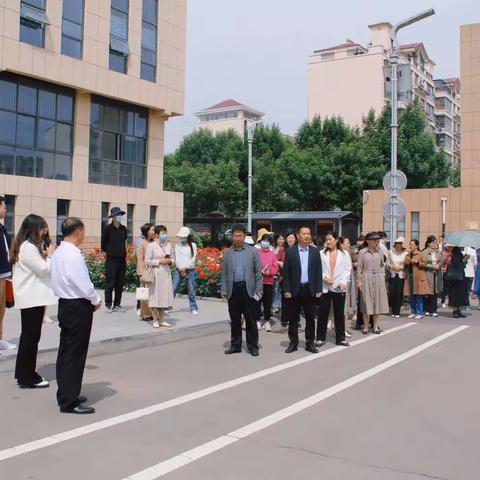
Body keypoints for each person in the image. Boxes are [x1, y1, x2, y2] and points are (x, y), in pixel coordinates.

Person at [51, 217, 102, 414]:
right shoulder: (73, 255)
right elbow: (82, 283)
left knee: (66, 351)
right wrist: (95, 299)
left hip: (65, 304)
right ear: (78, 231)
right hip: (77, 306)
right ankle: (69, 401)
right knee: (75, 353)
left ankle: (66, 392)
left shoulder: (58, 252)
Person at [12, 215, 57, 388]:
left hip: (32, 297)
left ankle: (24, 373)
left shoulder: (27, 247)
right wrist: (51, 256)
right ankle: (27, 376)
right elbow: (44, 269)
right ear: (32, 229)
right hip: (31, 298)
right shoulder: (28, 248)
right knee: (30, 338)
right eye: (41, 229)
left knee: (30, 337)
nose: (43, 232)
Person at [221, 225, 263, 357]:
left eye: (240, 236)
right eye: (235, 236)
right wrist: (224, 289)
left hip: (248, 289)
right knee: (235, 319)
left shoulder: (253, 251)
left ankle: (253, 346)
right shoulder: (227, 253)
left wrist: (259, 289)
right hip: (233, 289)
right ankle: (235, 345)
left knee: (250, 319)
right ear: (232, 237)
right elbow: (224, 273)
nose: (238, 238)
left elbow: (258, 273)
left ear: (245, 236)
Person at [283, 226, 323, 354]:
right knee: (293, 318)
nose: (307, 236)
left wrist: (319, 288)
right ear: (298, 235)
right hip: (294, 289)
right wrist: (287, 289)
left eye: (309, 233)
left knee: (310, 318)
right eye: (304, 233)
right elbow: (286, 272)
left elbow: (318, 271)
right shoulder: (290, 252)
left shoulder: (315, 251)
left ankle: (309, 343)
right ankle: (293, 342)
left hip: (309, 289)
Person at [316, 232, 351, 347]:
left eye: (330, 239)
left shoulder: (344, 253)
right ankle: (320, 338)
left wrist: (343, 282)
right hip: (325, 286)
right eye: (327, 240)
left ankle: (340, 338)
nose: (328, 242)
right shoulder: (321, 253)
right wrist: (324, 278)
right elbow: (317, 269)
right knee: (323, 313)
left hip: (338, 287)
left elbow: (347, 269)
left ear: (336, 240)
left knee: (339, 314)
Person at [356, 232, 389, 334]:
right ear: (368, 241)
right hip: (366, 277)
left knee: (377, 303)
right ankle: (365, 326)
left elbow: (383, 265)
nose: (376, 242)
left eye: (377, 240)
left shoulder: (380, 252)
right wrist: (359, 281)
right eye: (374, 240)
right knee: (366, 303)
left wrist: (382, 275)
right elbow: (359, 268)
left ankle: (376, 326)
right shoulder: (362, 252)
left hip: (378, 278)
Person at [145, 225, 174, 328]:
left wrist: (170, 261)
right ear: (157, 235)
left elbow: (173, 258)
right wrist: (159, 261)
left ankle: (162, 319)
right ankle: (155, 320)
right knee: (155, 297)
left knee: (164, 297)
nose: (165, 235)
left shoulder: (168, 245)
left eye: (166, 233)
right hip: (156, 274)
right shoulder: (151, 246)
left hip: (166, 274)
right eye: (163, 233)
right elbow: (147, 261)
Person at [101, 207, 128, 313]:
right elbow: (103, 244)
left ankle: (117, 304)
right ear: (113, 217)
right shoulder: (107, 228)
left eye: (120, 215)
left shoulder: (124, 229)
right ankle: (108, 304)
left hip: (122, 260)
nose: (119, 217)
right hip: (111, 260)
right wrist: (112, 251)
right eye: (117, 215)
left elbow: (124, 241)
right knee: (110, 283)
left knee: (120, 283)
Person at [0, 196, 16, 353]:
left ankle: (0, 338)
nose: (5, 209)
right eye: (3, 206)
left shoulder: (1, 228)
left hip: (4, 273)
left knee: (1, 308)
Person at [173, 227, 199, 315]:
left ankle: (193, 307)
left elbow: (193, 258)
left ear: (188, 236)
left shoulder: (193, 245)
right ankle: (167, 306)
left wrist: (185, 268)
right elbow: (177, 259)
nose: (182, 238)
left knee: (191, 290)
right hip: (179, 270)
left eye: (183, 236)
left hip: (190, 270)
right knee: (174, 288)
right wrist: (181, 269)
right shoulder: (177, 245)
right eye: (181, 236)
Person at [257, 234, 278, 332]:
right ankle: (257, 320)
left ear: (270, 243)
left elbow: (275, 267)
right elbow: (253, 265)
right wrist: (259, 271)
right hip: (258, 283)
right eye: (263, 240)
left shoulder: (272, 254)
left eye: (267, 240)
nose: (265, 242)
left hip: (268, 282)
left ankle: (266, 321)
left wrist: (270, 272)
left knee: (267, 303)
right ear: (260, 242)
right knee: (257, 302)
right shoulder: (256, 253)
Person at [404, 239, 429, 320]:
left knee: (419, 295)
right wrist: (408, 259)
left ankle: (420, 312)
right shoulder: (408, 254)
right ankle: (413, 311)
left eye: (412, 244)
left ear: (417, 246)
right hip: (410, 276)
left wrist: (418, 263)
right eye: (410, 244)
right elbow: (405, 264)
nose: (410, 246)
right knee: (411, 295)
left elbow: (425, 264)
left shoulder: (421, 254)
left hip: (418, 277)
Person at [136, 223, 154, 321]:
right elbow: (140, 259)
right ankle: (145, 314)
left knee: (152, 294)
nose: (153, 232)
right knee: (144, 294)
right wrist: (141, 273)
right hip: (145, 272)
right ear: (147, 232)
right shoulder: (142, 243)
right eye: (151, 230)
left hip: (153, 271)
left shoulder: (154, 242)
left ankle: (152, 313)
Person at [387, 237, 408, 318]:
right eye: (396, 244)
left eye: (399, 244)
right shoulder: (391, 252)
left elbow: (406, 264)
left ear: (402, 245)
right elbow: (387, 262)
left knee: (399, 293)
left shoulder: (405, 253)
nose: (398, 246)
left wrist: (400, 268)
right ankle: (392, 309)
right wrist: (391, 266)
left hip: (401, 275)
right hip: (392, 274)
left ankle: (397, 311)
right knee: (392, 293)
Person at [423, 235, 443, 317]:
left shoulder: (438, 252)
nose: (435, 244)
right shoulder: (425, 252)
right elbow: (423, 263)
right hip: (428, 273)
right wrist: (432, 266)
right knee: (428, 292)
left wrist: (439, 265)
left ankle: (434, 310)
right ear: (429, 243)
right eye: (433, 242)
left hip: (437, 274)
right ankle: (427, 309)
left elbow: (442, 261)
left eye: (436, 242)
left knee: (435, 292)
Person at [339, 236, 355, 336]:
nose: (349, 245)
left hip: (347, 283)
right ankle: (341, 329)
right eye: (347, 242)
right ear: (341, 244)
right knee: (342, 309)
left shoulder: (347, 254)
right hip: (341, 284)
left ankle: (343, 328)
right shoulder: (340, 254)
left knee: (345, 308)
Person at [447, 246, 468, 318]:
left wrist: (464, 259)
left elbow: (463, 265)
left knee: (459, 294)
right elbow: (458, 265)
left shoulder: (456, 254)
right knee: (457, 294)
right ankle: (456, 311)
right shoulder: (456, 255)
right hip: (457, 278)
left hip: (457, 277)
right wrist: (464, 259)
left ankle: (458, 310)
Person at [351, 235, 365, 330]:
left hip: (366, 277)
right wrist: (354, 264)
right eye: (358, 241)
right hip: (356, 276)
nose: (359, 242)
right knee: (358, 298)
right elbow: (349, 262)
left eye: (361, 241)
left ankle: (370, 321)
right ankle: (358, 321)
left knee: (367, 301)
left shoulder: (367, 250)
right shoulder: (353, 251)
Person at [272, 234, 286, 315]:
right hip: (273, 272)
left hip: (280, 273)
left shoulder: (284, 249)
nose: (281, 241)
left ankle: (277, 306)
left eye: (282, 239)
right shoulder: (272, 248)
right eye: (279, 239)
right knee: (274, 290)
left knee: (278, 289)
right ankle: (274, 305)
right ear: (276, 240)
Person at [463, 245, 477, 310]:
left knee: (463, 289)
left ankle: (463, 304)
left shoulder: (462, 251)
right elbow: (475, 263)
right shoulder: (473, 251)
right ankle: (466, 305)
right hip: (470, 272)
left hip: (463, 272)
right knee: (468, 289)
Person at [440, 244, 453, 308]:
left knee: (450, 288)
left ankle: (450, 301)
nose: (450, 247)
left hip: (451, 272)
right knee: (445, 287)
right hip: (444, 271)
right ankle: (443, 301)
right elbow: (442, 262)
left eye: (451, 247)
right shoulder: (443, 253)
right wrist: (447, 258)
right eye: (449, 246)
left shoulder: (452, 253)